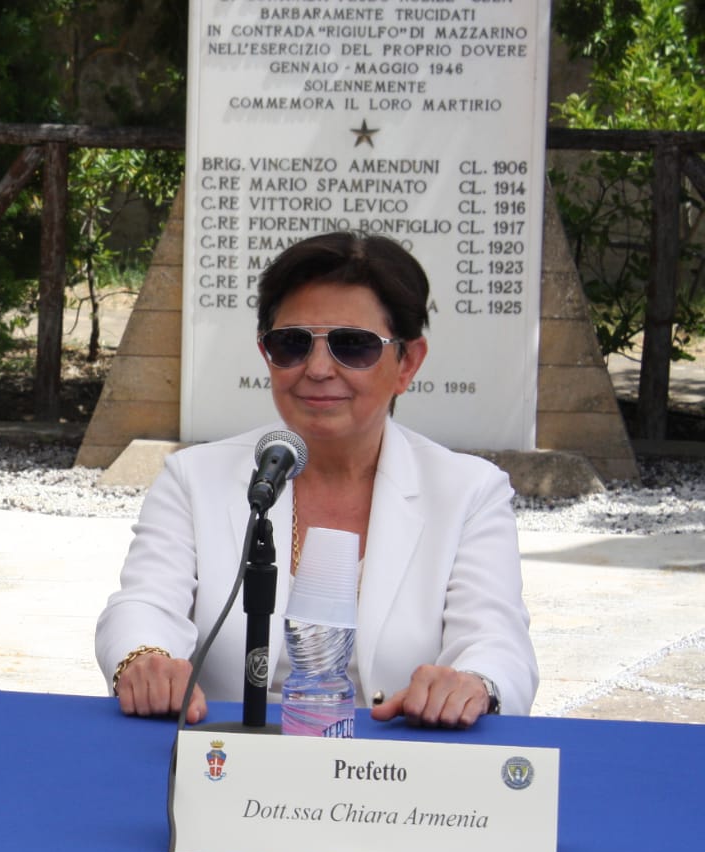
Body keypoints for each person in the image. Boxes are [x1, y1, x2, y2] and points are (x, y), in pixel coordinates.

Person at [95, 231, 537, 728]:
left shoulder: (468, 492)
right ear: (267, 355)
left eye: (354, 346)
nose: (319, 369)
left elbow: (500, 643)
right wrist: (145, 659)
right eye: (293, 344)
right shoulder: (195, 478)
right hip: (225, 766)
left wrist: (473, 682)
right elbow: (143, 603)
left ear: (407, 363)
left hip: (399, 776)